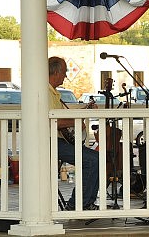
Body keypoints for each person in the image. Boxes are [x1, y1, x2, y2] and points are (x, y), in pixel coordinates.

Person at [48, 56, 99, 210]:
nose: (65, 76)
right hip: (49, 140)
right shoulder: (45, 92)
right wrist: (77, 121)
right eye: (64, 72)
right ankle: (78, 204)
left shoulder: (54, 93)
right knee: (92, 160)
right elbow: (51, 121)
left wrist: (81, 115)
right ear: (55, 72)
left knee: (96, 159)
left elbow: (62, 118)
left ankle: (86, 203)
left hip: (58, 141)